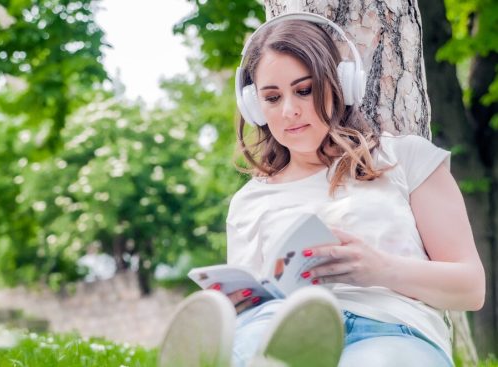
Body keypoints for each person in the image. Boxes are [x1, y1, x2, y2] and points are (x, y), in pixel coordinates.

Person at [157, 11, 485, 367]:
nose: (289, 111)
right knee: (254, 332)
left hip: (389, 329)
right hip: (282, 327)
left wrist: (380, 269)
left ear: (340, 84)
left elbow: (471, 288)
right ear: (255, 107)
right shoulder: (250, 200)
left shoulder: (405, 157)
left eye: (304, 90)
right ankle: (235, 354)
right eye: (271, 98)